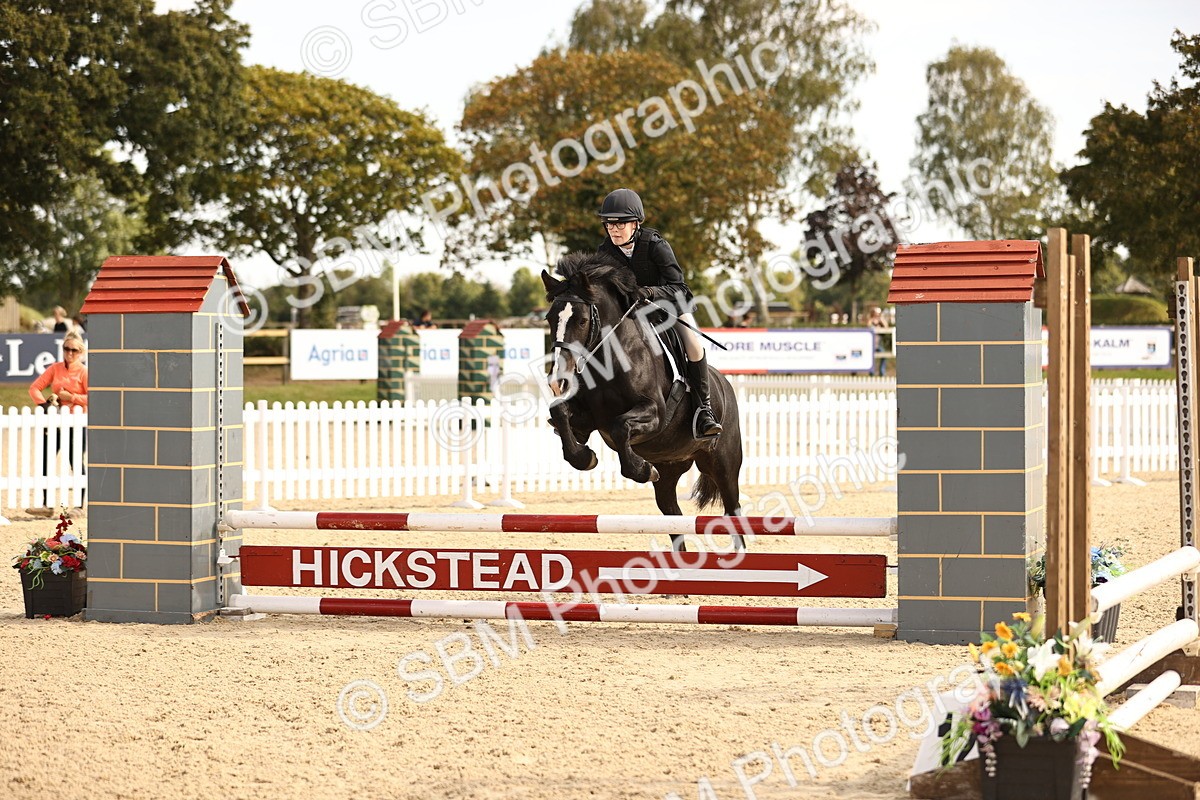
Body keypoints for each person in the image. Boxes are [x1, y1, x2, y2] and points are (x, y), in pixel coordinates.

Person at [596, 188, 721, 438]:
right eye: (609, 224)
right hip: (633, 315)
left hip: (670, 309)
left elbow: (680, 287)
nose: (614, 229)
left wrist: (651, 292)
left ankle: (703, 409)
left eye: (620, 223)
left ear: (636, 223)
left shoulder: (655, 245)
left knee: (693, 345)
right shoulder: (605, 251)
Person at [27, 330, 88, 515]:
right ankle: (46, 506)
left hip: (75, 424)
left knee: (75, 463)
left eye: (74, 350)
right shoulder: (55, 368)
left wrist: (72, 397)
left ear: (81, 352)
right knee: (46, 461)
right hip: (55, 423)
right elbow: (34, 388)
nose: (70, 353)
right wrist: (44, 405)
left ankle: (78, 506)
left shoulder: (84, 372)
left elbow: (94, 397)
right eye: (66, 348)